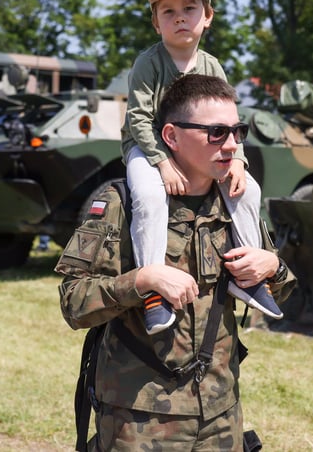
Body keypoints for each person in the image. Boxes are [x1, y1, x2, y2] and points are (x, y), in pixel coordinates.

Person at [56, 74, 296, 450]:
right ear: (171, 137)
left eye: (237, 131)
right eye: (216, 132)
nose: (232, 145)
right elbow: (74, 303)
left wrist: (272, 267)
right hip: (140, 419)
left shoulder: (234, 204)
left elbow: (280, 292)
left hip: (221, 413)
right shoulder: (126, 205)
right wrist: (141, 281)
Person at [122, 0, 282, 334]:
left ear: (207, 17)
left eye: (190, 8)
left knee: (248, 189)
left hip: (201, 148)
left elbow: (227, 119)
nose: (180, 17)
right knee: (148, 194)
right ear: (156, 24)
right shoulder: (149, 63)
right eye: (168, 11)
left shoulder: (212, 66)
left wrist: (238, 160)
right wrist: (161, 162)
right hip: (147, 146)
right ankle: (154, 290)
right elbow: (137, 118)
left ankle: (249, 275)